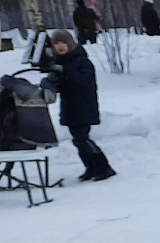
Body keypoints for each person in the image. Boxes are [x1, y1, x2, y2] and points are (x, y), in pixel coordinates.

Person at [40, 30, 115, 182]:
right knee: (78, 139)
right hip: (69, 107)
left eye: (63, 43)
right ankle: (91, 167)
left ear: (70, 44)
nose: (60, 46)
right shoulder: (60, 63)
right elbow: (63, 85)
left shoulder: (82, 62)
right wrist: (50, 82)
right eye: (56, 43)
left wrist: (65, 72)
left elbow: (84, 81)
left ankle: (103, 167)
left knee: (82, 138)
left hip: (84, 106)